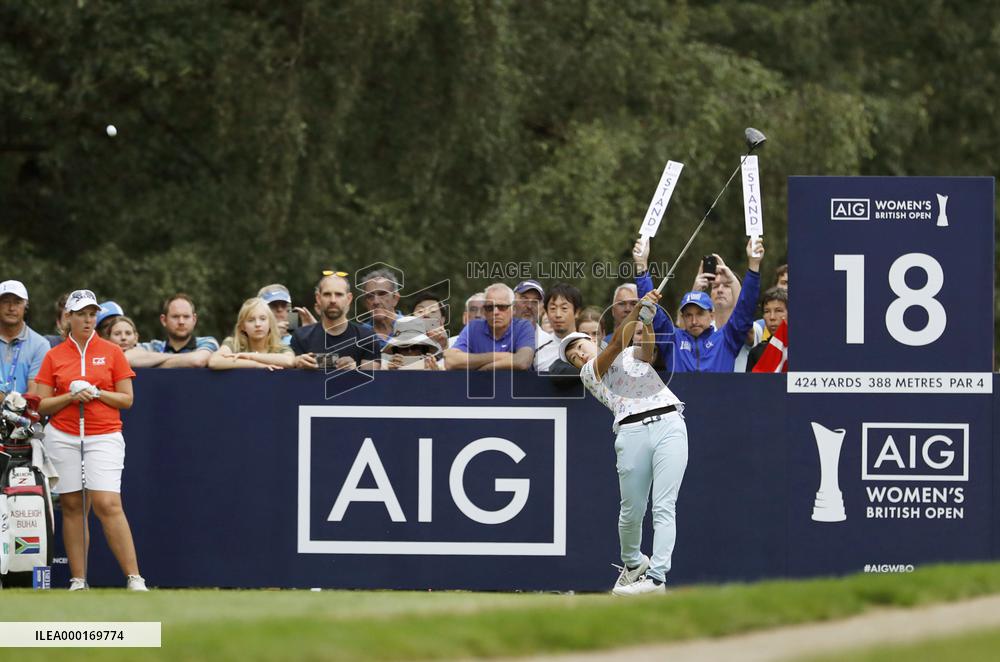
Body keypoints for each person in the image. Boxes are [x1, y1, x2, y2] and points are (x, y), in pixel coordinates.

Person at [560, 288, 686, 596]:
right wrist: (638, 308)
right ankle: (633, 565)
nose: (578, 354)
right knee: (631, 510)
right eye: (572, 356)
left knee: (664, 506)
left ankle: (657, 578)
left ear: (593, 339)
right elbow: (618, 342)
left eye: (580, 345)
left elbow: (646, 351)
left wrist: (648, 319)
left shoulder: (630, 355)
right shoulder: (590, 373)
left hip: (670, 422)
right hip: (631, 433)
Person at [33, 289, 147, 591]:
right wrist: (70, 396)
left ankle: (134, 578)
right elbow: (42, 405)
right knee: (72, 504)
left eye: (91, 314)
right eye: (81, 314)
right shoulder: (53, 355)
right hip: (63, 436)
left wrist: (96, 392)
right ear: (68, 317)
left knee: (108, 503)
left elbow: (127, 399)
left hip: (104, 435)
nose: (87, 319)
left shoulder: (111, 351)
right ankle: (78, 579)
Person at [638, 238, 764, 373]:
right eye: (688, 315)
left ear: (712, 315)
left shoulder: (726, 338)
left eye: (699, 313)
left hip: (719, 394)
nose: (693, 321)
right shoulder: (673, 339)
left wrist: (753, 266)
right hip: (679, 395)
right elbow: (649, 305)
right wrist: (641, 265)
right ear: (682, 317)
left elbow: (745, 310)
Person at [291, 273, 380, 371]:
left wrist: (355, 370)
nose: (333, 300)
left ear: (349, 298)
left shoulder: (366, 337)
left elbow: (371, 382)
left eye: (339, 294)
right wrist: (297, 364)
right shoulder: (300, 337)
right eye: (327, 294)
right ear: (318, 298)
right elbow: (290, 381)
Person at [444, 283, 534, 371]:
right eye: (490, 307)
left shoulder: (523, 326)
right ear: (484, 311)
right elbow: (450, 361)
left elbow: (522, 362)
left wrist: (486, 368)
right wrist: (500, 356)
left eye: (502, 307)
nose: (495, 312)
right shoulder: (473, 327)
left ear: (513, 309)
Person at [127, 294, 219, 368]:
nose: (181, 322)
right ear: (164, 320)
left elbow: (197, 361)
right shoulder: (154, 346)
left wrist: (153, 363)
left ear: (194, 320)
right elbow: (127, 358)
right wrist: (183, 360)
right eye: (175, 317)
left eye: (186, 317)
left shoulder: (207, 342)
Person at [209, 297, 295, 370]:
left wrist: (251, 356)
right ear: (242, 326)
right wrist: (256, 364)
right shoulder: (233, 343)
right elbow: (214, 361)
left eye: (263, 319)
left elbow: (289, 361)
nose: (258, 324)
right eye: (251, 320)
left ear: (270, 324)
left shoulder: (279, 346)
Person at [0, 280, 52, 396]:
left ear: (26, 306)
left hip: (22, 412)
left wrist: (11, 404)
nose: (11, 308)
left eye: (17, 302)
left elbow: (35, 390)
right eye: (5, 302)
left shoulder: (40, 344)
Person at [514, 280, 557, 372]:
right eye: (524, 299)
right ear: (512, 303)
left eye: (535, 302)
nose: (529, 306)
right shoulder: (497, 335)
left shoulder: (549, 344)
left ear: (542, 309)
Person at [540, 283, 582, 372]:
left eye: (564, 308)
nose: (558, 315)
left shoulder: (589, 346)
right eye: (553, 308)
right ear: (546, 312)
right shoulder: (538, 349)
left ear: (577, 312)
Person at [746, 287, 788, 372]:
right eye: (767, 311)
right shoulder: (756, 353)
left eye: (778, 311)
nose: (772, 317)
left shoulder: (803, 349)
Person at [359, 268, 401, 348]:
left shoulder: (413, 328)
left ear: (395, 298)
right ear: (365, 303)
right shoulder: (359, 335)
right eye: (370, 296)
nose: (376, 301)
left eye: (382, 294)